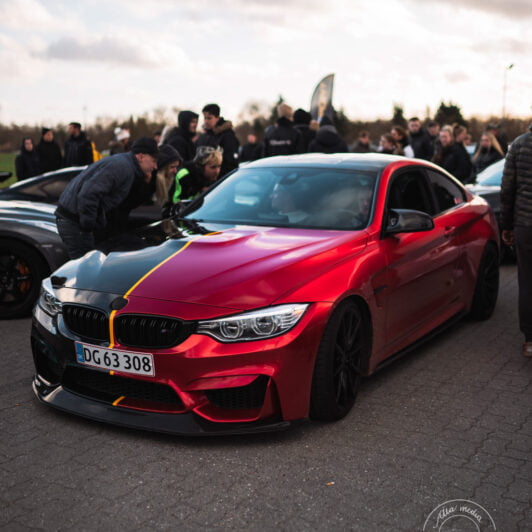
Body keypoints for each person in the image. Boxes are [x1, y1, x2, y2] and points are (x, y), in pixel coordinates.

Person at [55, 137, 159, 259]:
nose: (155, 166)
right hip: (74, 222)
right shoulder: (122, 167)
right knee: (86, 267)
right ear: (141, 156)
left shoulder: (125, 165)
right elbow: (89, 194)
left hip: (74, 220)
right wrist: (88, 226)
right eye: (153, 161)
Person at [499, 123, 532, 357]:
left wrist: (506, 225)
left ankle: (530, 340)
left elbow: (507, 189)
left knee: (527, 281)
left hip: (525, 224)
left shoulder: (519, 145)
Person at [196, 103, 239, 176]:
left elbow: (230, 162)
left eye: (209, 118)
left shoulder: (227, 135)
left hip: (221, 179)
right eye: (205, 118)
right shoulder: (205, 135)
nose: (206, 121)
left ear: (217, 118)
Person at [154, 144, 183, 213]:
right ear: (163, 167)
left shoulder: (172, 179)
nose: (175, 171)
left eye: (176, 167)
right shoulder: (151, 183)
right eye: (172, 167)